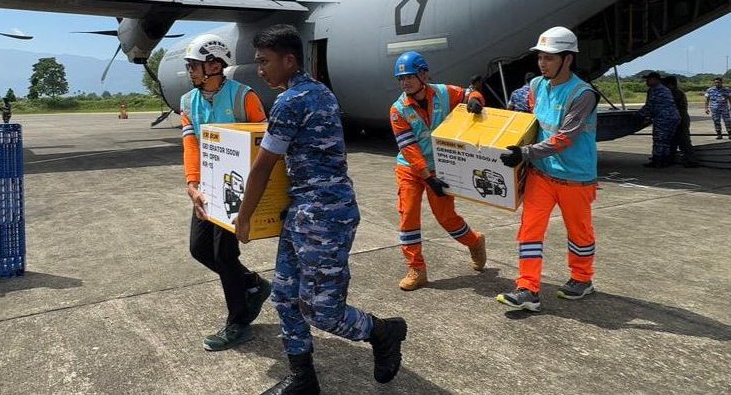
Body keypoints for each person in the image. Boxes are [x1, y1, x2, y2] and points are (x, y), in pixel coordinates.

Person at [234, 24, 407, 392]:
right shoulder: (320, 92)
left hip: (325, 217)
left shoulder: (291, 101)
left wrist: (244, 217)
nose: (260, 70)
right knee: (284, 296)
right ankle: (303, 379)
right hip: (305, 211)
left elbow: (263, 166)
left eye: (265, 62)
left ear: (289, 59)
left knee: (322, 311)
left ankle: (384, 331)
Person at [179, 34, 272, 352]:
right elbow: (191, 145)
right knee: (199, 248)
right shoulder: (187, 102)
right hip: (206, 188)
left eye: (194, 65)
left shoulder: (243, 98)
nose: (190, 70)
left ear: (215, 65)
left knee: (224, 254)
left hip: (237, 187)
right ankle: (253, 284)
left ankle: (239, 322)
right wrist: (192, 185)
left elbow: (265, 140)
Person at [496, 27, 599, 312]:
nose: (542, 63)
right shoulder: (537, 85)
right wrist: (475, 98)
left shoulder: (583, 94)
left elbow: (565, 137)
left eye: (550, 58)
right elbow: (515, 104)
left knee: (579, 233)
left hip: (575, 178)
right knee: (529, 229)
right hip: (542, 175)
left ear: (568, 59)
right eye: (540, 57)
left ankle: (582, 278)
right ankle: (527, 288)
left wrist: (525, 153)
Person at [389, 51, 487, 291]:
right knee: (408, 215)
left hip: (441, 166)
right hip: (411, 170)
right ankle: (417, 268)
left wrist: (476, 100)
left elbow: (468, 92)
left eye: (409, 76)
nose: (405, 83)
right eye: (401, 79)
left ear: (424, 74)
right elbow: (408, 148)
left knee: (447, 219)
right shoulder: (398, 109)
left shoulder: (444, 93)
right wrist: (426, 177)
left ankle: (474, 241)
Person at [637, 71, 680, 168]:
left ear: (655, 80)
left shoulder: (656, 90)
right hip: (673, 117)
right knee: (666, 140)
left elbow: (650, 106)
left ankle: (657, 161)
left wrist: (638, 114)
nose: (646, 82)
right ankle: (665, 161)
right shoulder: (664, 89)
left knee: (659, 140)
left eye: (649, 79)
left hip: (664, 118)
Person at [660, 76, 697, 167]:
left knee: (683, 141)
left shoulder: (675, 93)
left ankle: (691, 160)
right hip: (677, 119)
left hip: (679, 119)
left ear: (670, 84)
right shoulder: (675, 92)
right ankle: (671, 159)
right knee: (672, 141)